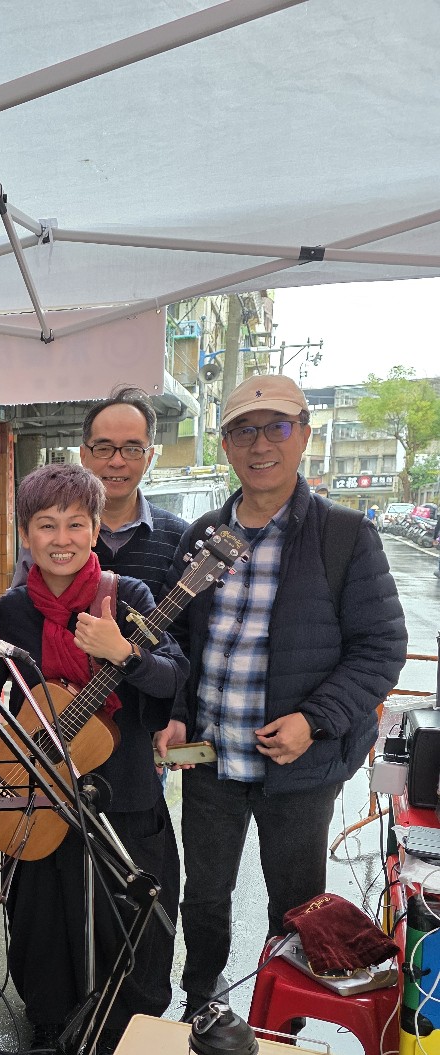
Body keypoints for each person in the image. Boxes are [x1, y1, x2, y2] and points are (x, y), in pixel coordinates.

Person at [154, 375, 407, 1019]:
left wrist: (315, 721)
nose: (260, 444)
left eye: (277, 427)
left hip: (299, 766)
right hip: (210, 760)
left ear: (304, 436)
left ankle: (281, 1022)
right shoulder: (204, 535)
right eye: (244, 430)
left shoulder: (345, 536)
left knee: (294, 904)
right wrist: (177, 715)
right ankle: (201, 1002)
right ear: (226, 444)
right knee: (204, 896)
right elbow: (178, 639)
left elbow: (380, 647)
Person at [0, 464, 187, 1055]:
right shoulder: (11, 611)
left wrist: (123, 652)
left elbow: (174, 677)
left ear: (97, 529)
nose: (62, 538)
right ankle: (49, 1037)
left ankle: (125, 1045)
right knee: (41, 923)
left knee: (129, 924)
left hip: (122, 792)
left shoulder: (127, 595)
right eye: (47, 525)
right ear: (25, 534)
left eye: (77, 524)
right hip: (44, 794)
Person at [13, 387, 188, 598]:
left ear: (149, 458)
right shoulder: (48, 532)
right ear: (83, 455)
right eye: (103, 449)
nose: (117, 462)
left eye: (132, 449)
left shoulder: (180, 537)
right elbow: (21, 607)